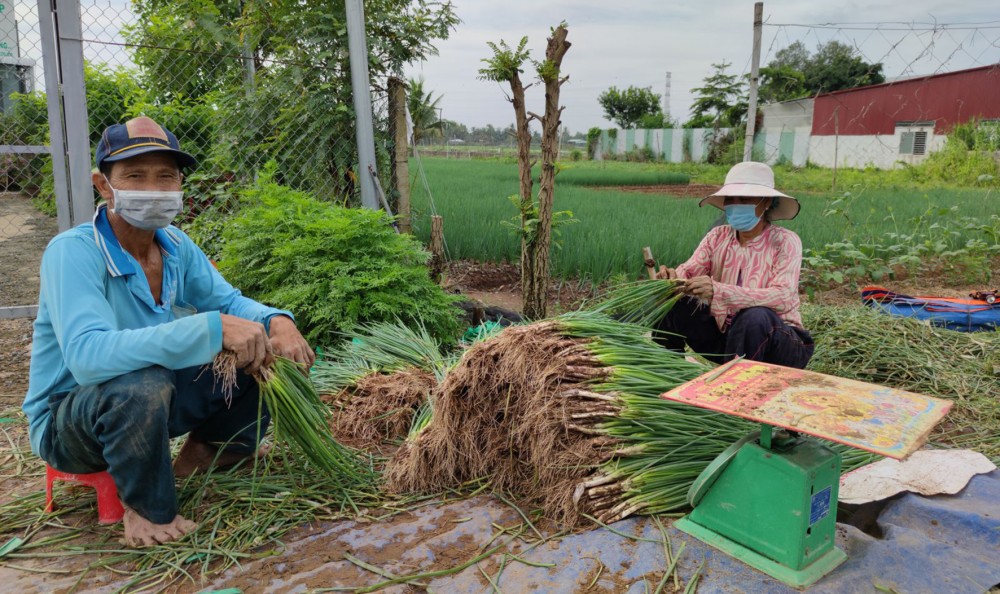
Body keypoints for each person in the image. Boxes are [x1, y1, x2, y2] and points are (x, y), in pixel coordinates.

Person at [23, 116, 315, 547]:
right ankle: (147, 511)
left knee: (262, 351)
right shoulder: (73, 252)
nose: (154, 189)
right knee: (142, 381)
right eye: (135, 176)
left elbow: (230, 303)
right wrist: (210, 330)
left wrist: (277, 321)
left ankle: (206, 452)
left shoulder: (175, 245)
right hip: (72, 419)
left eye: (166, 176)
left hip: (151, 403)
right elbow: (87, 358)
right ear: (104, 185)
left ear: (180, 184)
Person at [653, 161, 814, 369]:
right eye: (731, 199)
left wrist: (719, 291)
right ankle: (667, 374)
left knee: (754, 316)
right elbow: (690, 270)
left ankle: (734, 389)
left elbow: (782, 297)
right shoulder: (717, 237)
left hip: (777, 343)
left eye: (745, 199)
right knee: (671, 302)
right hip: (728, 339)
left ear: (766, 202)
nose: (736, 203)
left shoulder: (785, 241)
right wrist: (672, 279)